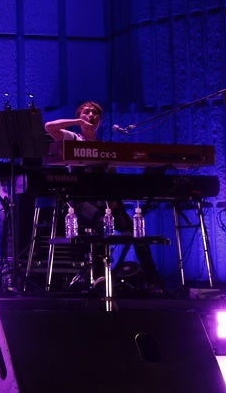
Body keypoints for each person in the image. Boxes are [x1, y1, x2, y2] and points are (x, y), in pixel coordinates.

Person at [44, 101, 165, 293]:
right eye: (86, 112)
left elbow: (112, 179)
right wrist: (78, 121)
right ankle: (100, 276)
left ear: (100, 120)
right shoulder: (73, 138)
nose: (91, 115)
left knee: (135, 231)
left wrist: (116, 202)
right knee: (102, 223)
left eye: (95, 113)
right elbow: (49, 126)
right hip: (81, 201)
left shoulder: (104, 147)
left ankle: (153, 280)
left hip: (106, 201)